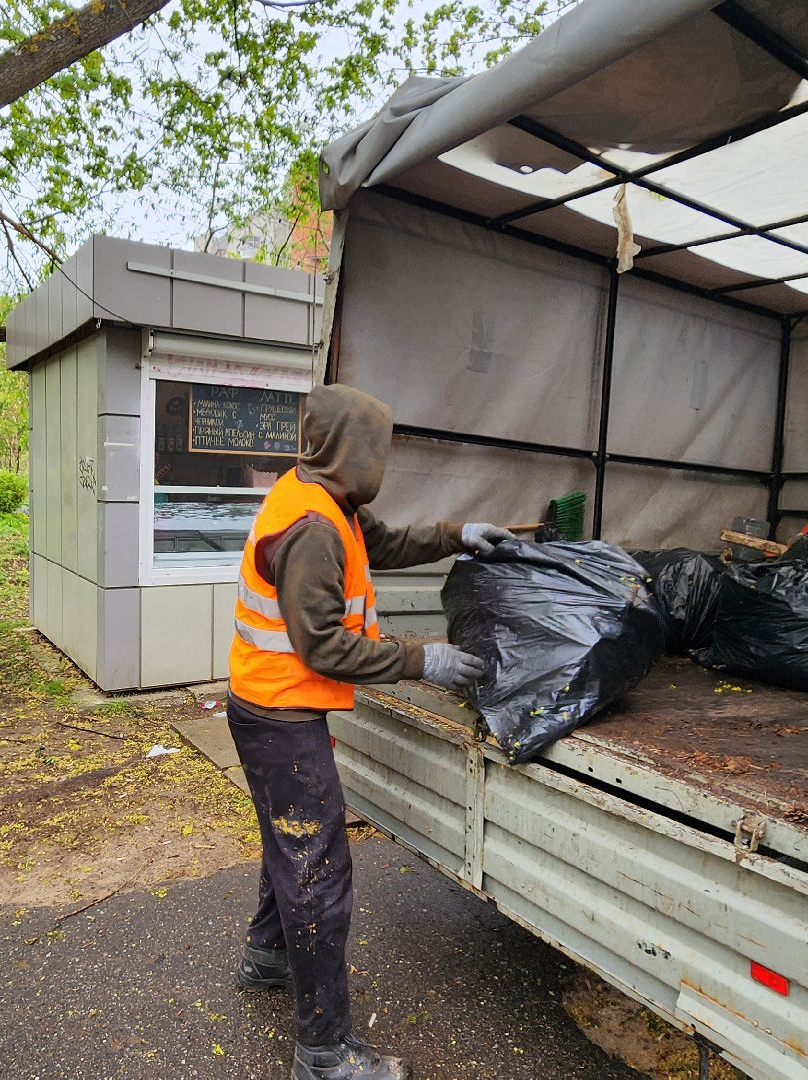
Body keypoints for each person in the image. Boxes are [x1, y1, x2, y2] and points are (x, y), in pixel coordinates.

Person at [226, 384, 511, 1080]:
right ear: (350, 449)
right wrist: (424, 658)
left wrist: (457, 535)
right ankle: (323, 1054)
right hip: (279, 715)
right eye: (377, 448)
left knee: (289, 848)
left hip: (270, 707)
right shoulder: (313, 530)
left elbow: (385, 542)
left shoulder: (329, 501)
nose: (383, 462)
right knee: (318, 870)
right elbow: (323, 647)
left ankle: (267, 957)